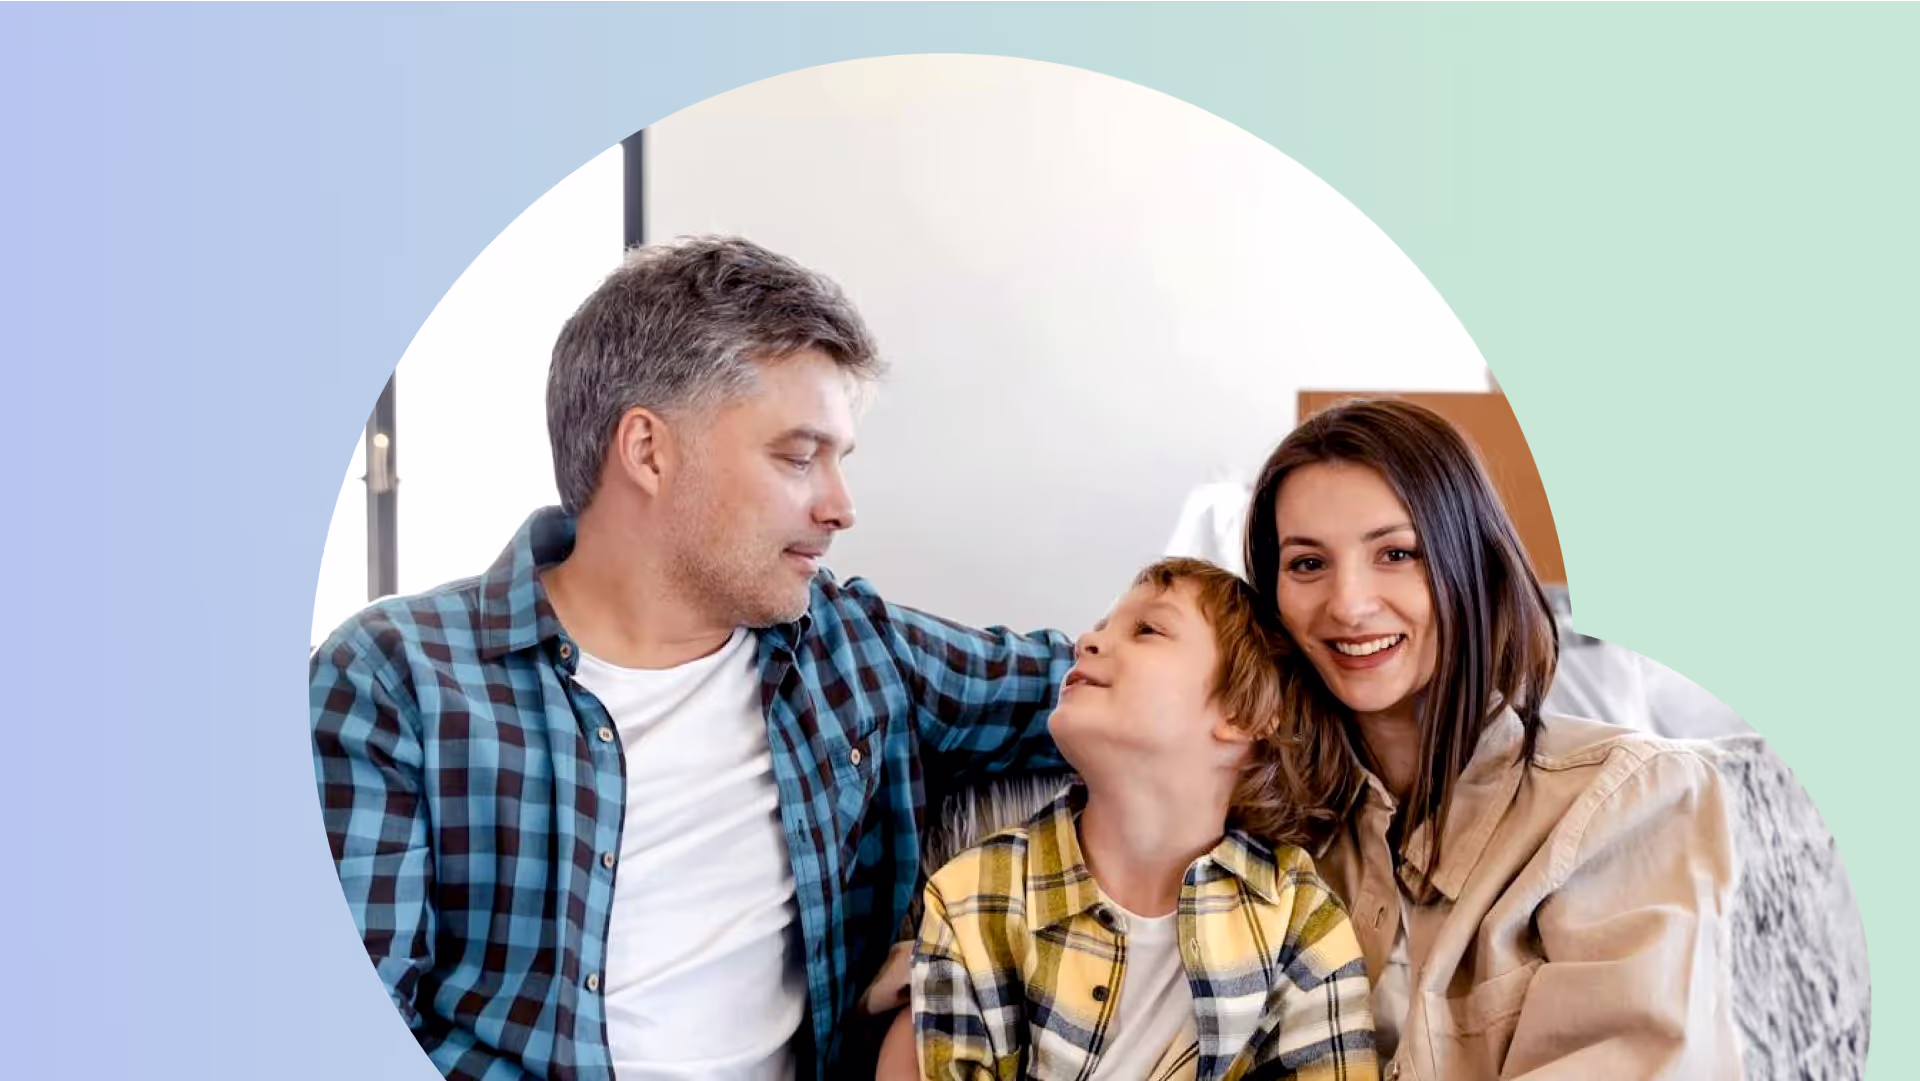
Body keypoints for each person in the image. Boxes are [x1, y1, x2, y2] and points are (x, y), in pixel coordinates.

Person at [309, 236, 1075, 1081]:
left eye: (839, 460)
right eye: (798, 457)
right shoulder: (395, 678)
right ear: (648, 450)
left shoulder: (850, 648)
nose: (841, 506)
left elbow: (1112, 691)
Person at [1241, 398, 1742, 1080]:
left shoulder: (1627, 798)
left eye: (1397, 553)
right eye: (1306, 563)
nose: (1349, 604)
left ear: (1472, 565)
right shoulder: (1263, 827)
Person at [906, 558, 1378, 1081]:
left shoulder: (1299, 918)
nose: (1086, 640)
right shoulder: (970, 897)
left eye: (1147, 629)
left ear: (1245, 715)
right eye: (1101, 626)